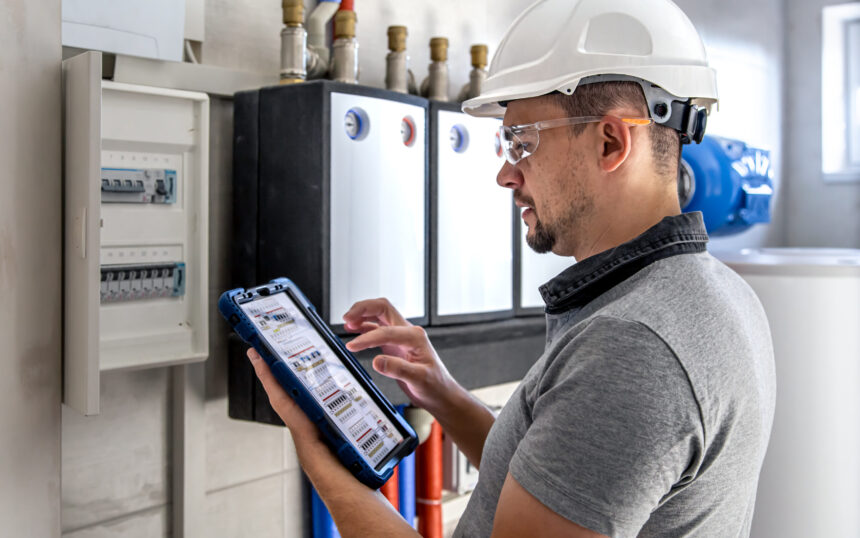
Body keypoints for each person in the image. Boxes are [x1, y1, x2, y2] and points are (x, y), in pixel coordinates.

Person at [246, 0, 776, 536]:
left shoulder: (631, 346)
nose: (505, 173)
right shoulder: (715, 293)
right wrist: (445, 394)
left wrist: (321, 459)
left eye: (523, 142)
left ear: (611, 142)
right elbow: (566, 483)